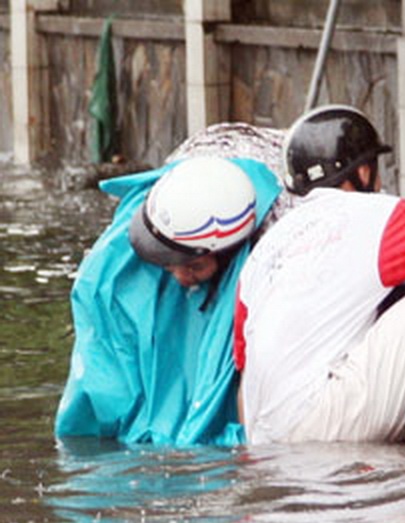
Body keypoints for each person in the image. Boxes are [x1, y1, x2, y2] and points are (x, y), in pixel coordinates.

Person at [234, 105, 405, 448]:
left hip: (263, 440)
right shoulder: (377, 213)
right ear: (364, 172)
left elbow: (243, 360)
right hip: (318, 421)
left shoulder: (267, 247)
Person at [55, 148, 284, 446]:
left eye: (194, 267)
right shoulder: (113, 263)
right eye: (167, 266)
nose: (180, 278)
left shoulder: (272, 247)